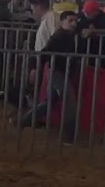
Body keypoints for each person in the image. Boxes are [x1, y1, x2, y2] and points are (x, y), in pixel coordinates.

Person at [20, 10, 83, 143]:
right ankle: (68, 138)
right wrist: (35, 68)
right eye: (70, 21)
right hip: (58, 73)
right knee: (69, 103)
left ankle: (23, 121)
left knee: (49, 103)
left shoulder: (69, 34)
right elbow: (45, 53)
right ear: (62, 22)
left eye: (75, 21)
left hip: (61, 72)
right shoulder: (58, 37)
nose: (74, 23)